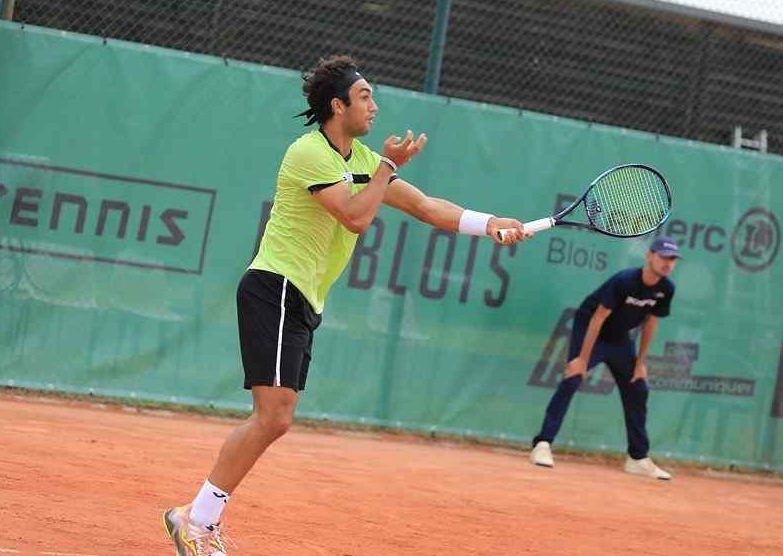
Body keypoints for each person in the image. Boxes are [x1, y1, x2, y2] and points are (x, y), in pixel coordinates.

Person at [162, 55, 528, 555]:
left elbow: (425, 207)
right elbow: (355, 217)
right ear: (338, 106)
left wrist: (489, 224)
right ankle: (196, 519)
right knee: (273, 417)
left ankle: (195, 516)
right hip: (276, 286)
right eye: (364, 97)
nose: (374, 106)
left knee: (276, 418)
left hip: (303, 298)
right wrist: (387, 167)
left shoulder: (364, 161)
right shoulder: (309, 153)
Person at [529, 236, 680, 480]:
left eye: (672, 259)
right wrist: (582, 359)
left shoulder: (666, 289)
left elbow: (651, 323)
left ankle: (637, 458)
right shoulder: (624, 280)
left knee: (638, 388)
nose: (668, 263)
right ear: (650, 256)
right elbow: (598, 317)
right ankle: (543, 444)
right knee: (573, 378)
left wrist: (640, 363)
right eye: (664, 257)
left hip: (619, 338)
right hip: (591, 328)